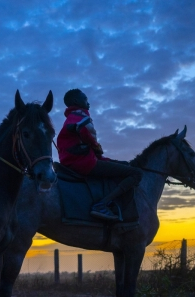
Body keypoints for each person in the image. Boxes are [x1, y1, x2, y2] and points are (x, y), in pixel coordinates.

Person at [56, 89, 143, 221]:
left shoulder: (71, 116)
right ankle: (101, 205)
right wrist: (96, 147)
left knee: (124, 165)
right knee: (136, 173)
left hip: (77, 160)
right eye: (85, 99)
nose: (88, 103)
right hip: (84, 162)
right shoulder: (80, 116)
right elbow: (86, 131)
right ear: (76, 101)